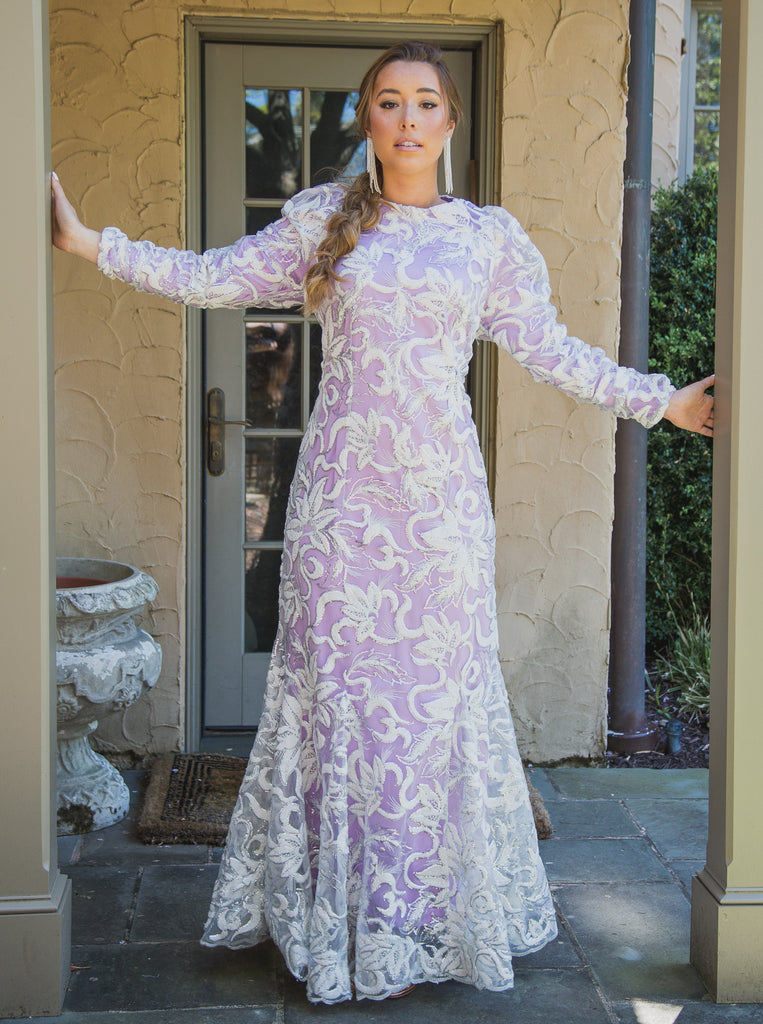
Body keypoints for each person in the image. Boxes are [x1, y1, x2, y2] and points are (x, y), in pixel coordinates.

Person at [51, 41, 714, 1006]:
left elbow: (555, 353)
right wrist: (90, 244)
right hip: (340, 510)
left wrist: (663, 402)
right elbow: (211, 276)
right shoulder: (325, 222)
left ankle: (423, 919)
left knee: (434, 710)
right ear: (368, 118)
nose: (407, 120)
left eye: (425, 103)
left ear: (449, 122)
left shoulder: (485, 239)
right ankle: (336, 919)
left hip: (440, 508)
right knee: (344, 708)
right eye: (389, 103)